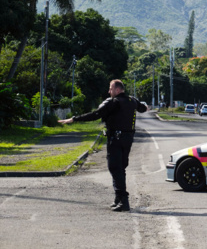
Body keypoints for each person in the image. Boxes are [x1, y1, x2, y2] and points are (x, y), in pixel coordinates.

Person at [58, 79, 147, 212]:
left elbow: (96, 114)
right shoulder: (132, 100)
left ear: (117, 90)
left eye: (110, 89)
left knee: (115, 168)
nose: (108, 91)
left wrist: (74, 119)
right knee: (120, 168)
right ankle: (118, 199)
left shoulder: (114, 102)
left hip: (115, 139)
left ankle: (124, 201)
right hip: (128, 139)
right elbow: (143, 108)